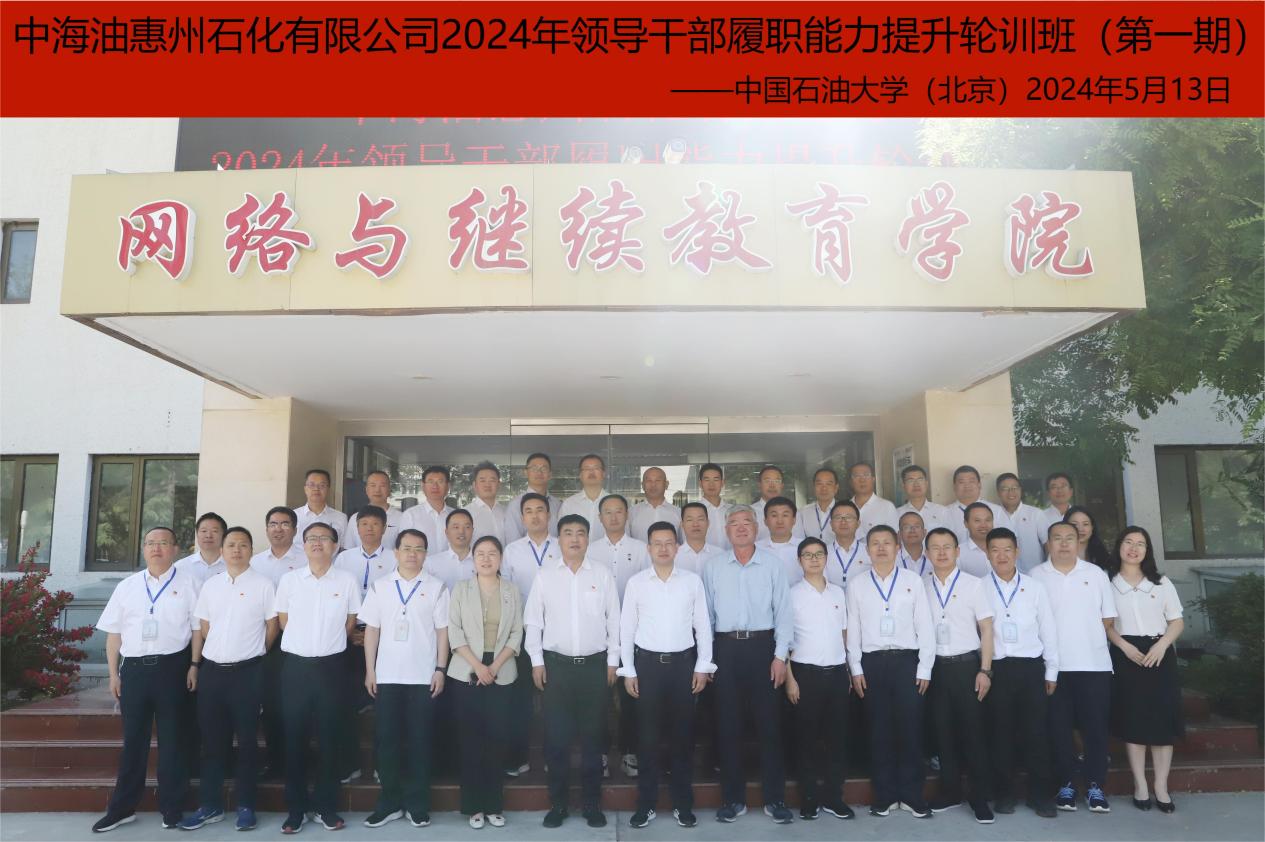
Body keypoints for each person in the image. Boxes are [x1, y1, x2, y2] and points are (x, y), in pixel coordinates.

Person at [92, 526, 201, 834]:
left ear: (175, 549)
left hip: (173, 668)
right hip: (135, 671)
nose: (157, 548)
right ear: (143, 549)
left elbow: (197, 630)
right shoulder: (127, 586)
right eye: (151, 543)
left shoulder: (190, 583)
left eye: (163, 543)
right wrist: (113, 674)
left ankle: (172, 808)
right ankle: (122, 809)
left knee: (173, 742)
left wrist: (194, 665)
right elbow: (114, 635)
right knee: (133, 742)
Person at [524, 514, 620, 830]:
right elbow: (533, 621)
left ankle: (592, 804)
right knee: (557, 740)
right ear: (560, 539)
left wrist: (613, 661)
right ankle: (559, 804)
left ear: (588, 539)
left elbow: (614, 620)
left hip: (594, 668)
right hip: (557, 669)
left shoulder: (602, 574)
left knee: (593, 740)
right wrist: (536, 661)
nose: (575, 538)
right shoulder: (545, 576)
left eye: (580, 533)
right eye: (568, 533)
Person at [701, 505, 795, 824]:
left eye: (746, 522)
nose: (741, 527)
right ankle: (733, 799)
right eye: (734, 523)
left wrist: (780, 656)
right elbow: (706, 617)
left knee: (770, 726)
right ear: (726, 530)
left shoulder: (772, 565)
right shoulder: (714, 567)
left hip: (763, 648)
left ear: (756, 529)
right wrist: (707, 660)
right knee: (729, 726)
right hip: (725, 649)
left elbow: (784, 612)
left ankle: (775, 799)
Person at [181, 527, 278, 832]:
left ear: (251, 550)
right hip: (213, 673)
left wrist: (254, 652)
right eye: (232, 545)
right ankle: (210, 805)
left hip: (248, 673)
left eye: (243, 545)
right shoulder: (211, 586)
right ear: (222, 551)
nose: (237, 550)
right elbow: (205, 627)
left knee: (247, 741)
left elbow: (272, 627)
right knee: (212, 742)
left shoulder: (264, 585)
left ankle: (246, 805)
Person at [619, 522, 714, 829]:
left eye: (669, 542)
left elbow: (703, 626)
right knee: (647, 739)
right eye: (657, 543)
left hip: (683, 666)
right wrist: (629, 670)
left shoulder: (691, 582)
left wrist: (702, 666)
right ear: (648, 548)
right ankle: (645, 804)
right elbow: (626, 629)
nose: (663, 548)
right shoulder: (637, 583)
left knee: (682, 737)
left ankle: (682, 804)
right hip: (647, 666)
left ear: (677, 547)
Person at [360, 528, 450, 829]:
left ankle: (417, 804)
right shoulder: (380, 586)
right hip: (387, 676)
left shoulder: (437, 587)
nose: (413, 554)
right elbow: (371, 630)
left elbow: (443, 632)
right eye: (407, 548)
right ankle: (389, 803)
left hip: (423, 677)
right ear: (396, 552)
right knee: (387, 742)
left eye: (419, 549)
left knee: (419, 742)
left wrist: (440, 669)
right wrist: (371, 670)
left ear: (426, 554)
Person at [274, 522, 361, 833]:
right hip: (296, 668)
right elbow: (283, 621)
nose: (318, 543)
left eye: (324, 538)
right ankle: (296, 809)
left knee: (329, 738)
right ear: (304, 544)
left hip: (332, 668)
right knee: (294, 738)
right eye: (312, 538)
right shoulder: (289, 580)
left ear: (335, 546)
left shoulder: (347, 580)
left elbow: (350, 623)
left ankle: (326, 806)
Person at [845, 525, 936, 818]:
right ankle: (884, 796)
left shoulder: (913, 581)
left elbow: (925, 625)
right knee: (879, 731)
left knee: (910, 729)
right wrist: (855, 667)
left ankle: (911, 796)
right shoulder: (857, 584)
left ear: (898, 548)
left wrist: (925, 667)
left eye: (887, 543)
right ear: (867, 550)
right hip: (872, 663)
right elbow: (853, 628)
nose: (881, 548)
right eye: (875, 543)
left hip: (907, 662)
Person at [1030, 521, 1117, 814]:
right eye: (1057, 538)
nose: (1064, 543)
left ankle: (1095, 786)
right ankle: (1065, 784)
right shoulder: (1035, 576)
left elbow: (1108, 618)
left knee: (1095, 728)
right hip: (1053, 667)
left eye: (1070, 538)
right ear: (1048, 544)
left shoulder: (1096, 574)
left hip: (1093, 665)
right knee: (1058, 729)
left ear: (1079, 542)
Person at [1104, 526, 1185, 813]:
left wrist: (1162, 645)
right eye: (1128, 542)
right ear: (1119, 546)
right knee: (1134, 720)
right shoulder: (1108, 583)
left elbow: (1176, 621)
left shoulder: (1161, 582)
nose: (1133, 548)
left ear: (1147, 550)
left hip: (1159, 654)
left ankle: (1161, 786)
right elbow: (1106, 625)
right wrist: (1124, 647)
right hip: (1126, 654)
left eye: (1140, 544)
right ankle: (1140, 785)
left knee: (1162, 722)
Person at [446, 535, 522, 829]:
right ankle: (473, 806)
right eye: (481, 554)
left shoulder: (512, 590)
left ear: (500, 559)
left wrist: (494, 666)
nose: (487, 559)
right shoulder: (461, 589)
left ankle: (493, 805)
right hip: (467, 670)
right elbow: (454, 632)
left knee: (496, 739)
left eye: (492, 553)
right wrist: (479, 667)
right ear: (473, 559)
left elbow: (516, 633)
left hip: (501, 670)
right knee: (471, 740)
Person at [983, 527, 1058, 818]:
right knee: (1000, 734)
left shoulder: (1034, 587)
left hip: (1030, 668)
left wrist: (1051, 670)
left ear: (1017, 552)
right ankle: (1004, 794)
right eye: (995, 550)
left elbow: (1048, 628)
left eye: (1007, 550)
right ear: (987, 553)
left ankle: (1041, 796)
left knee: (1036, 733)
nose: (1001, 555)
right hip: (997, 669)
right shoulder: (979, 588)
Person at [922, 527, 996, 824]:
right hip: (936, 668)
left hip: (967, 667)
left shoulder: (973, 584)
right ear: (927, 553)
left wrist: (985, 670)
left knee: (973, 733)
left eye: (947, 547)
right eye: (935, 547)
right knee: (943, 733)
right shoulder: (920, 586)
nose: (941, 552)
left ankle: (979, 797)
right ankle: (950, 791)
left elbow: (987, 629)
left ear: (957, 551)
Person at [783, 537, 855, 822]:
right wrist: (790, 679)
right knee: (807, 739)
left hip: (836, 673)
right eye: (808, 555)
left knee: (838, 739)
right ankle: (810, 798)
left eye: (819, 554)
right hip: (805, 674)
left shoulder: (838, 593)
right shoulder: (791, 594)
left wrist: (848, 669)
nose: (814, 559)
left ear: (826, 558)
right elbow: (784, 640)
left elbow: (844, 633)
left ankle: (835, 797)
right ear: (799, 560)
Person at [586, 493, 650, 778]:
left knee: (631, 696)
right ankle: (599, 753)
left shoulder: (641, 549)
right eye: (608, 512)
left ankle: (629, 752)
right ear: (600, 518)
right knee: (598, 697)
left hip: (635, 633)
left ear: (627, 515)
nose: (613, 517)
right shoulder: (590, 550)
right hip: (599, 634)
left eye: (619, 511)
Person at [332, 505, 397, 780]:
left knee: (385, 708)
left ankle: (384, 766)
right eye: (364, 524)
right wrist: (349, 632)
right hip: (347, 638)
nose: (369, 529)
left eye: (375, 524)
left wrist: (374, 633)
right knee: (345, 704)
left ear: (384, 528)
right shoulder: (343, 559)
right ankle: (350, 765)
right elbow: (335, 599)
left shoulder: (395, 558)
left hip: (385, 640)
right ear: (356, 529)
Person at [500, 492, 560, 777]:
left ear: (549, 515)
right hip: (521, 632)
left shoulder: (562, 547)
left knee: (555, 700)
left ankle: (553, 757)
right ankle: (517, 758)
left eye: (540, 510)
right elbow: (505, 592)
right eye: (529, 511)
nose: (535, 516)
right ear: (522, 518)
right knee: (520, 698)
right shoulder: (511, 551)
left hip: (556, 631)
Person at [250, 506, 305, 779]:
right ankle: (275, 762)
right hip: (265, 637)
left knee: (298, 701)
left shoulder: (307, 558)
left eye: (284, 524)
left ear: (294, 529)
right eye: (273, 524)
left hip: (299, 637)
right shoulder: (255, 562)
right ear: (266, 529)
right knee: (271, 701)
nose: (278, 529)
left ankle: (300, 761)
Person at [994, 473, 1049, 573]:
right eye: (1005, 489)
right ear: (998, 492)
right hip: (1003, 575)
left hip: (1034, 574)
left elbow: (1048, 544)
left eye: (1015, 488)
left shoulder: (1036, 514)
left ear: (1020, 490)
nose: (1011, 492)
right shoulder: (993, 515)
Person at [505, 452, 562, 542]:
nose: (539, 472)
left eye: (544, 468)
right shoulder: (515, 504)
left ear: (550, 474)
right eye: (534, 468)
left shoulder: (557, 504)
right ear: (526, 472)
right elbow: (513, 540)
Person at [399, 465, 454, 555]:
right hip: (421, 563)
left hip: (450, 564)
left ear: (448, 486)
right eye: (430, 481)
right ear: (423, 486)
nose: (435, 486)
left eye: (440, 481)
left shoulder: (455, 515)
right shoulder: (410, 515)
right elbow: (404, 547)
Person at [293, 469, 348, 552]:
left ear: (328, 489)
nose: (316, 489)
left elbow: (344, 548)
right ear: (305, 488)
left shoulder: (341, 517)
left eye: (322, 485)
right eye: (312, 485)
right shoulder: (293, 516)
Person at [345, 471, 402, 550]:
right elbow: (348, 549)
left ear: (389, 490)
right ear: (366, 490)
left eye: (382, 486)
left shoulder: (401, 518)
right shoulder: (355, 518)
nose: (377, 490)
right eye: (373, 485)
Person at [950, 466, 1004, 546]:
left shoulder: (997, 511)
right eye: (961, 482)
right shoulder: (945, 513)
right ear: (954, 487)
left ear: (979, 485)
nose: (967, 485)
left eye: (971, 481)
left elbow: (1008, 540)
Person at [425, 509, 476, 591]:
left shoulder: (483, 563)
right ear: (447, 532)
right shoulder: (431, 563)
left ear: (472, 531)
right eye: (456, 527)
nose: (461, 531)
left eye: (467, 527)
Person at [557, 453, 609, 532]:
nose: (591, 472)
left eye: (596, 468)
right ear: (580, 475)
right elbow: (562, 534)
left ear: (603, 474)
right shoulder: (569, 504)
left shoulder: (614, 502)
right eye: (587, 469)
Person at [758, 496, 803, 584]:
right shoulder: (755, 549)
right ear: (765, 521)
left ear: (794, 520)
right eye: (774, 515)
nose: (780, 521)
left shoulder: (806, 548)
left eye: (785, 515)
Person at [629, 467, 682, 542]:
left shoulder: (679, 513)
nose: (653, 484)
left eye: (658, 480)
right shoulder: (631, 513)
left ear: (666, 484)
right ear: (643, 485)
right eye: (649, 481)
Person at [824, 501, 869, 589]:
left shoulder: (869, 552)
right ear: (831, 524)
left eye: (849, 517)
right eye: (838, 518)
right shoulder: (823, 553)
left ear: (858, 523)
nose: (843, 522)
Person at [174, 512, 227, 587]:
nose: (208, 535)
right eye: (204, 531)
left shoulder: (233, 566)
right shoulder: (181, 567)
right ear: (197, 534)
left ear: (224, 535)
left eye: (214, 531)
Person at [895, 464, 951, 531]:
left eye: (920, 479)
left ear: (926, 483)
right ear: (903, 486)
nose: (916, 484)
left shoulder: (942, 511)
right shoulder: (897, 514)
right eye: (910, 480)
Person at [848, 461, 898, 535]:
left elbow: (894, 536)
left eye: (866, 475)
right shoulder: (845, 508)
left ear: (873, 479)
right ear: (851, 482)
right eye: (857, 476)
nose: (862, 480)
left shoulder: (887, 506)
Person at [752, 465, 799, 543]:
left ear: (782, 485)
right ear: (759, 485)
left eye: (777, 481)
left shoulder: (795, 513)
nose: (772, 485)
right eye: (767, 481)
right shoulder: (749, 513)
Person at [468, 461, 509, 545]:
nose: (487, 484)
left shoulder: (507, 512)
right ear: (474, 485)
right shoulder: (466, 513)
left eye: (492, 480)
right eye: (482, 480)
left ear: (498, 484)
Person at [675, 502, 721, 574]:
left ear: (708, 523)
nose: (695, 524)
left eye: (700, 519)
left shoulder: (720, 554)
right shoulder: (673, 556)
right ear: (682, 524)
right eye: (690, 520)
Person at [797, 467, 840, 541]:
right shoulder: (802, 512)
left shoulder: (845, 511)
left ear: (836, 488)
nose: (824, 488)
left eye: (828, 484)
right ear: (813, 487)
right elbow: (798, 539)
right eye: (819, 484)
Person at [697, 463, 732, 550]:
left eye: (716, 480)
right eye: (707, 480)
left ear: (722, 483)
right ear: (700, 483)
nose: (711, 484)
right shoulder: (694, 512)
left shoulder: (732, 511)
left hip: (730, 557)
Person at [1065, 505, 1110, 570]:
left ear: (1092, 527)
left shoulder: (1103, 556)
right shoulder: (1059, 555)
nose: (1080, 529)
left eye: (1085, 524)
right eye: (1074, 524)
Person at [957, 502, 995, 577]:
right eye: (977, 520)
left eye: (988, 520)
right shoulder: (958, 554)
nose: (983, 525)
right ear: (966, 523)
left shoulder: (1003, 549)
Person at [897, 511, 931, 578]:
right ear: (899, 534)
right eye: (906, 527)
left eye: (917, 527)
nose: (912, 530)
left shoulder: (934, 557)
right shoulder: (892, 559)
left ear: (925, 532)